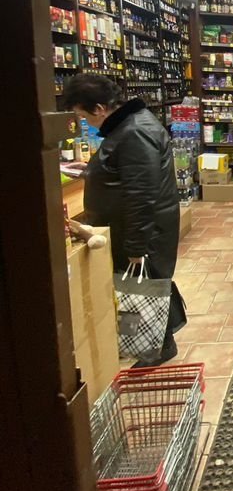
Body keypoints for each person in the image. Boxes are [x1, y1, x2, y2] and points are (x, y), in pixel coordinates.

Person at [63, 74, 186, 365]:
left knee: (145, 287)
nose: (85, 122)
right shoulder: (129, 126)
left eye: (83, 116)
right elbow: (128, 178)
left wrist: (135, 246)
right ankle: (154, 343)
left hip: (144, 230)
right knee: (146, 285)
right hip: (136, 227)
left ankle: (158, 347)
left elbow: (141, 193)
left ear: (98, 109)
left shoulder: (134, 132)